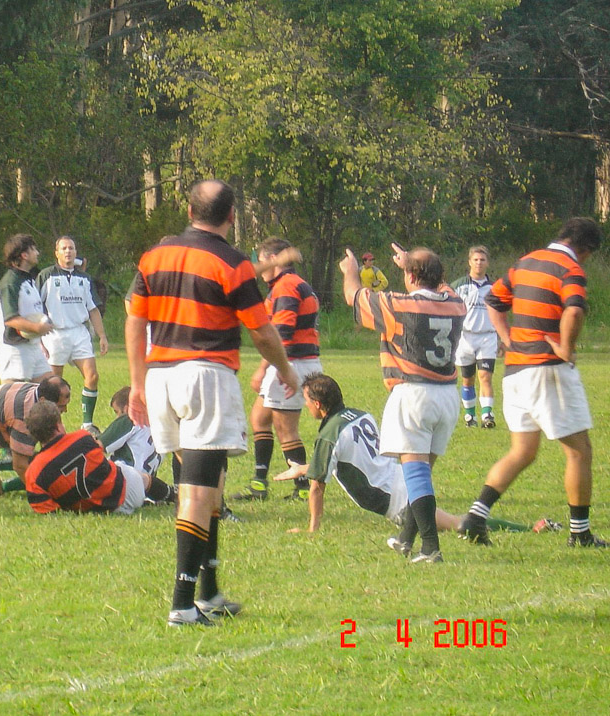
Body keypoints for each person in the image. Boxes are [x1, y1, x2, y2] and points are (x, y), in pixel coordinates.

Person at [126, 179, 299, 627]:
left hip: (162, 376)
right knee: (198, 492)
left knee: (211, 485)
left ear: (188, 209)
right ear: (232, 215)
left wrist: (138, 382)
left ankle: (209, 591)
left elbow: (134, 318)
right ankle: (183, 604)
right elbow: (261, 330)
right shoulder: (233, 262)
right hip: (205, 377)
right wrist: (284, 368)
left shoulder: (153, 255)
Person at [458, 218, 610, 549]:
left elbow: (494, 301)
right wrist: (566, 348)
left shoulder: (524, 263)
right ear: (584, 249)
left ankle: (475, 516)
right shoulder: (569, 268)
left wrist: (507, 338)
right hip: (548, 369)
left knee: (523, 451)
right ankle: (580, 533)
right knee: (579, 451)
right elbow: (574, 311)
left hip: (516, 370)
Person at [280, 374, 542, 536]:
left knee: (458, 524)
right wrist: (302, 468)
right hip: (403, 477)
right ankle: (528, 527)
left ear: (317, 404)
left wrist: (312, 527)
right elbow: (342, 460)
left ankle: (531, 528)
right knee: (454, 522)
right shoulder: (360, 415)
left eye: (306, 400)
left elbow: (317, 487)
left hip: (397, 499)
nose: (305, 405)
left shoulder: (329, 434)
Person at [341, 243, 465, 564]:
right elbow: (443, 287)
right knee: (420, 475)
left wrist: (351, 272)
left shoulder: (400, 305)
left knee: (416, 474)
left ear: (410, 275)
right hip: (447, 396)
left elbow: (354, 297)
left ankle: (430, 548)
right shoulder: (455, 303)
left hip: (414, 394)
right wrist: (413, 265)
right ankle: (405, 539)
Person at [232, 237, 320, 503]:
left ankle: (303, 485)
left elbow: (281, 333)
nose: (259, 267)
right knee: (259, 418)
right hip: (290, 362)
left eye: (260, 260)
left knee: (286, 429)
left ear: (272, 259)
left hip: (292, 364)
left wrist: (263, 368)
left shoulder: (287, 286)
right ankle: (259, 485)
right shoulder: (286, 286)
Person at [24, 399, 175, 514]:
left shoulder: (33, 473)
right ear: (58, 425)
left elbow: (48, 510)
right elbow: (103, 467)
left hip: (86, 510)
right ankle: (174, 496)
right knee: (143, 478)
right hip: (125, 496)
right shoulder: (82, 438)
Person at [36, 236, 110, 434]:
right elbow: (36, 308)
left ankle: (87, 424)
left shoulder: (84, 279)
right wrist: (39, 337)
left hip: (79, 332)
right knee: (53, 385)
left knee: (92, 376)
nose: (68, 252)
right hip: (55, 334)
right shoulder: (46, 276)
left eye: (71, 248)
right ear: (57, 253)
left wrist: (102, 336)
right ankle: (54, 425)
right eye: (64, 248)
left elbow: (93, 309)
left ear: (76, 253)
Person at [0, 233, 53, 383]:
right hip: (15, 349)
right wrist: (37, 328)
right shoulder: (11, 283)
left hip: (32, 346)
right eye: (34, 249)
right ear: (24, 255)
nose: (37, 253)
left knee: (51, 388)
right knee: (13, 400)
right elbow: (11, 319)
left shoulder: (28, 279)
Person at [454, 245, 498, 428]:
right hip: (465, 337)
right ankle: (470, 416)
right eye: (476, 260)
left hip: (487, 337)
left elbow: (501, 314)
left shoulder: (495, 288)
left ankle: (487, 415)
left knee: (485, 376)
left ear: (487, 263)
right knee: (467, 379)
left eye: (482, 260)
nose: (479, 263)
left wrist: (503, 337)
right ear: (469, 262)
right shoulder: (458, 286)